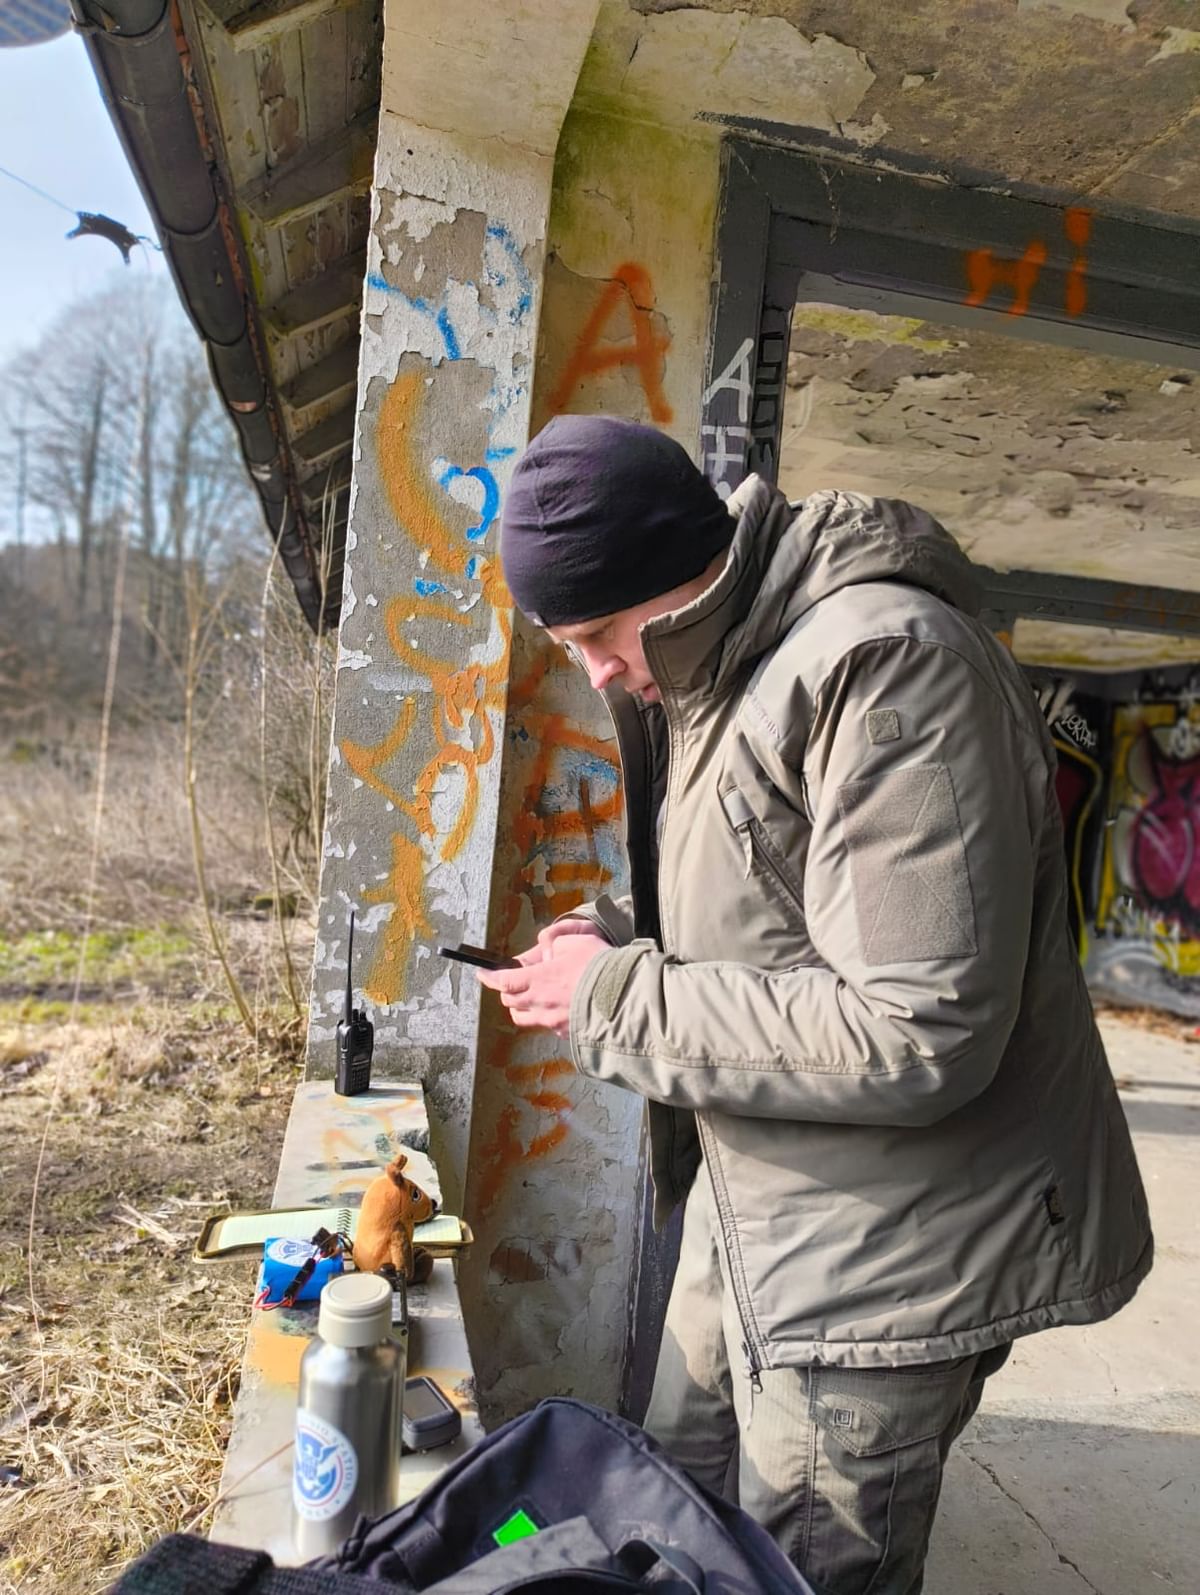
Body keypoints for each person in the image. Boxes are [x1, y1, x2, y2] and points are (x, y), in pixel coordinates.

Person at [480, 414, 1153, 1594]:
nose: (595, 672)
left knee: (794, 1573)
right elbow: (781, 897)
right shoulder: (726, 665)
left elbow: (920, 1027)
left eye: (595, 635)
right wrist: (619, 936)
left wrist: (617, 998)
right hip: (758, 1220)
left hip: (875, 1271)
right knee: (675, 1532)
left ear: (668, 570)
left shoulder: (884, 666)